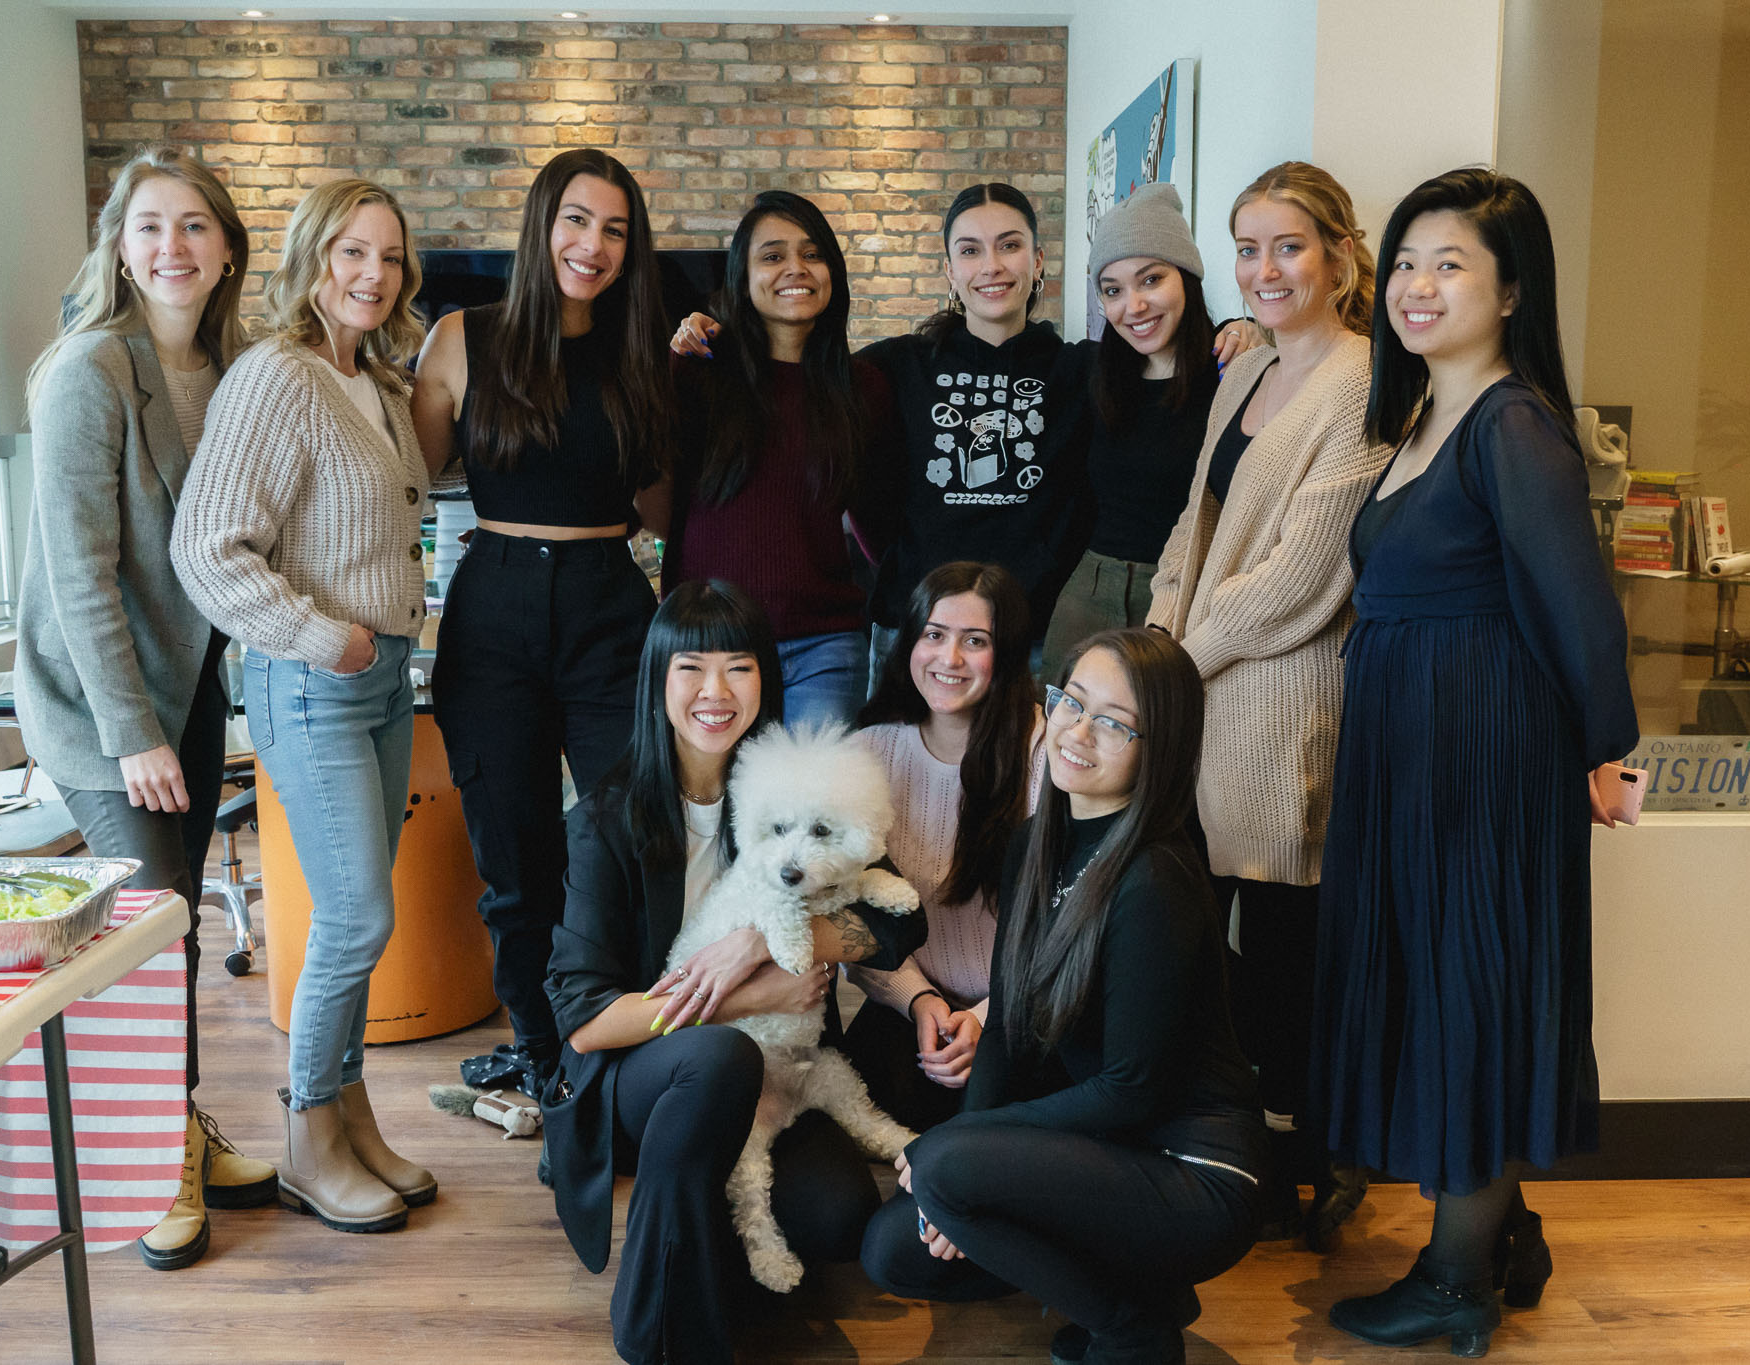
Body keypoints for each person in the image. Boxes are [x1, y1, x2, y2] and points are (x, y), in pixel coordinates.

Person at [1313, 168, 1639, 1357]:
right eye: (1404, 261)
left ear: (1509, 292)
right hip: (1411, 755)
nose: (1415, 284)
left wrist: (1606, 749)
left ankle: (1456, 1282)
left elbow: (1576, 603)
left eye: (1447, 264)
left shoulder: (1511, 424)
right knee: (1437, 988)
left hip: (1477, 760)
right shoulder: (1419, 421)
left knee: (1469, 994)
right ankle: (1502, 1236)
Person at [542, 581, 928, 1365]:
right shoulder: (605, 819)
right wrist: (746, 996)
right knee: (719, 1058)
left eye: (738, 667)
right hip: (644, 1072)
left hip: (773, 1073)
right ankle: (657, 1320)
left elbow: (898, 924)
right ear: (658, 682)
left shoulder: (795, 791)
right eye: (691, 668)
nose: (715, 691)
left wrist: (767, 942)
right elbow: (584, 1019)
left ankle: (709, 1241)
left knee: (836, 1218)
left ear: (766, 678)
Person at [860, 628, 1266, 1365]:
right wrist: (967, 1154)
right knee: (895, 1249)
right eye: (1071, 701)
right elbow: (1008, 1024)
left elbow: (1131, 1091)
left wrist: (962, 1154)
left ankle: (1132, 1330)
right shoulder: (1034, 844)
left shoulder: (1156, 879)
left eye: (1113, 722)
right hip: (1112, 1153)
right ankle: (1144, 1292)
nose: (1077, 732)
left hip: (1195, 1173)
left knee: (945, 1168)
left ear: (1159, 747)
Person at [672, 183, 1257, 682]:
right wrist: (714, 339)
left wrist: (1240, 329)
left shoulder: (1085, 370)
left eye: (1010, 245)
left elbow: (1166, 381)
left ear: (1038, 261)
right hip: (915, 636)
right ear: (950, 270)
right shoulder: (893, 367)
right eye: (970, 250)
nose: (991, 266)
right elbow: (794, 387)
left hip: (1035, 640)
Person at [17, 146, 276, 1271]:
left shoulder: (230, 369)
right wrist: (131, 735)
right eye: (149, 226)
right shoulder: (89, 370)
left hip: (189, 684)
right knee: (147, 927)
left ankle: (178, 1125)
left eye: (194, 226)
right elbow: (79, 576)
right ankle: (145, 1156)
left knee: (175, 922)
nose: (173, 246)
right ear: (121, 249)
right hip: (99, 702)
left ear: (226, 251)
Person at [172, 177, 442, 1234]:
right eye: (350, 251)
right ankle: (306, 1140)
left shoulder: (374, 381)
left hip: (379, 681)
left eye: (389, 256)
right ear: (311, 258)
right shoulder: (276, 375)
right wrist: (327, 637)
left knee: (357, 917)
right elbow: (207, 549)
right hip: (310, 680)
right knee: (357, 916)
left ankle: (349, 1114)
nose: (372, 273)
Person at [1144, 160, 1390, 1250]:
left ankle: (1310, 1155)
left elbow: (1301, 575)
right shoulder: (1245, 371)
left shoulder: (1365, 383)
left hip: (1285, 701)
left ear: (1339, 255)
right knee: (1198, 939)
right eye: (1247, 249)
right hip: (1195, 692)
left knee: (1288, 947)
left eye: (1287, 246)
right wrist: (1155, 641)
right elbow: (1189, 532)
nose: (1264, 269)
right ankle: (1227, 1139)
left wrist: (1175, 663)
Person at [411, 149, 674, 1102]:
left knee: (631, 841)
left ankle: (622, 1048)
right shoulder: (462, 338)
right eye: (576, 220)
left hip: (612, 607)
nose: (592, 245)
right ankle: (541, 1052)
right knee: (515, 857)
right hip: (495, 609)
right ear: (541, 225)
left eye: (615, 230)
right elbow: (403, 483)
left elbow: (665, 508)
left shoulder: (641, 351)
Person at [662, 190, 892, 729]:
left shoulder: (863, 387)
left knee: (813, 787)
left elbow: (878, 520)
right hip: (709, 641)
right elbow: (658, 500)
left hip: (823, 648)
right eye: (772, 255)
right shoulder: (696, 370)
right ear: (743, 276)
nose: (796, 268)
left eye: (813, 254)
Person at [841, 561, 1041, 1132]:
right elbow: (854, 917)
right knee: (861, 1120)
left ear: (1007, 653)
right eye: (934, 634)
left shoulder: (1048, 753)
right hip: (912, 1002)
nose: (949, 659)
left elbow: (1067, 927)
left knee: (986, 1136)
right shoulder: (869, 753)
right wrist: (919, 1000)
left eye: (975, 641)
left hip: (1024, 1010)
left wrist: (986, 1016)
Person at [1041, 182, 1222, 672]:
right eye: (1113, 290)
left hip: (1186, 596)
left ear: (1187, 276)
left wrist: (1247, 329)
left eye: (1151, 280)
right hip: (1088, 593)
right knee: (1062, 716)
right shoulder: (1093, 373)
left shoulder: (1232, 371)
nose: (1134, 306)